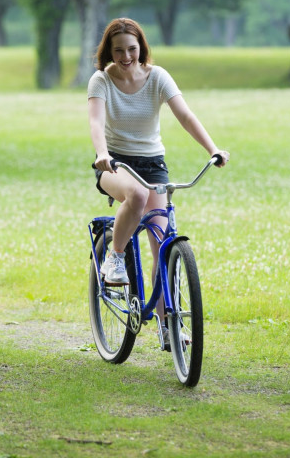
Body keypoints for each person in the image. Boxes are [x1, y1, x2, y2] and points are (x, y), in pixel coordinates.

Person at [87, 17, 229, 347]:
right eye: (118, 50)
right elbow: (96, 121)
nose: (126, 57)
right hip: (115, 163)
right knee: (135, 196)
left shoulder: (158, 77)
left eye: (132, 49)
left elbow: (185, 116)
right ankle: (115, 257)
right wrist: (102, 153)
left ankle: (168, 325)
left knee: (161, 247)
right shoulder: (100, 81)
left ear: (142, 48)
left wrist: (213, 149)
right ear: (109, 50)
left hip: (154, 165)